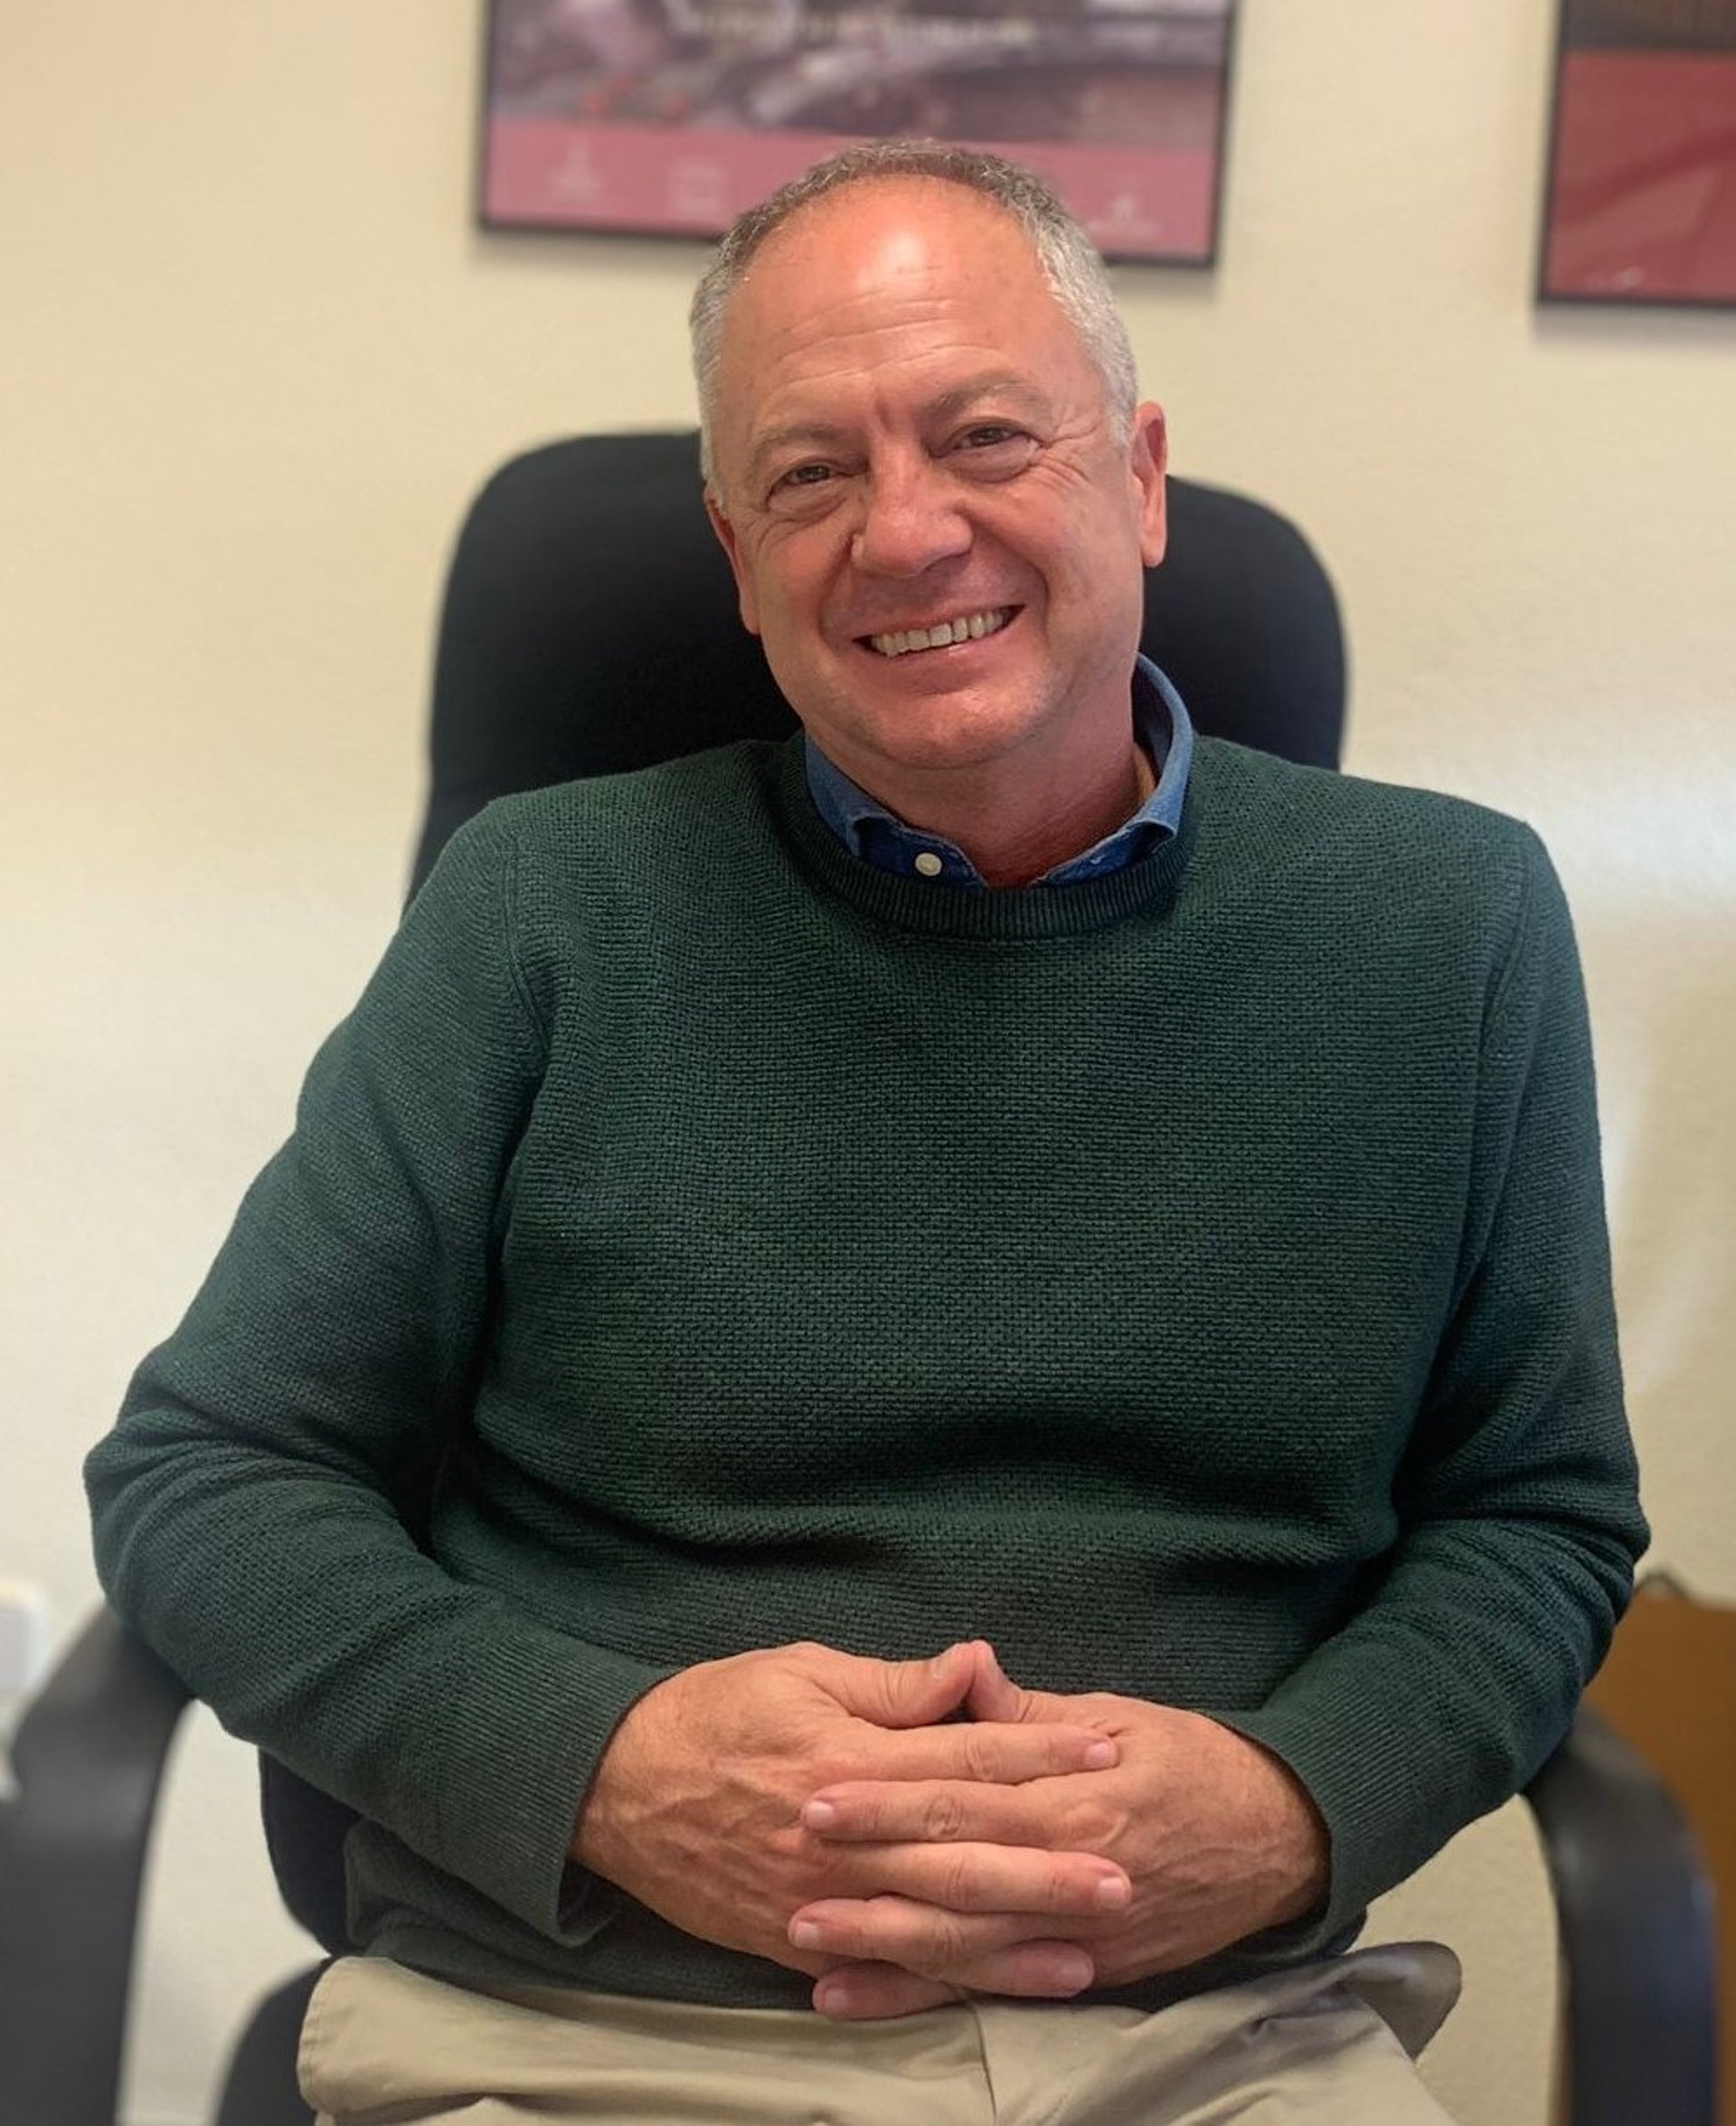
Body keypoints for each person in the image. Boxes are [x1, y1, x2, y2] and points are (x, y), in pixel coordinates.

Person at [86, 141, 1646, 2125]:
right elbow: (208, 1474)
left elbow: (1538, 1520)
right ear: (739, 560)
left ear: (1141, 475)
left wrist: (1288, 1805)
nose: (906, 534)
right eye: (811, 474)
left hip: (1209, 2050)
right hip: (584, 2040)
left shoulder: (1452, 928)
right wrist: (610, 1771)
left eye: (986, 436)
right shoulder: (542, 912)